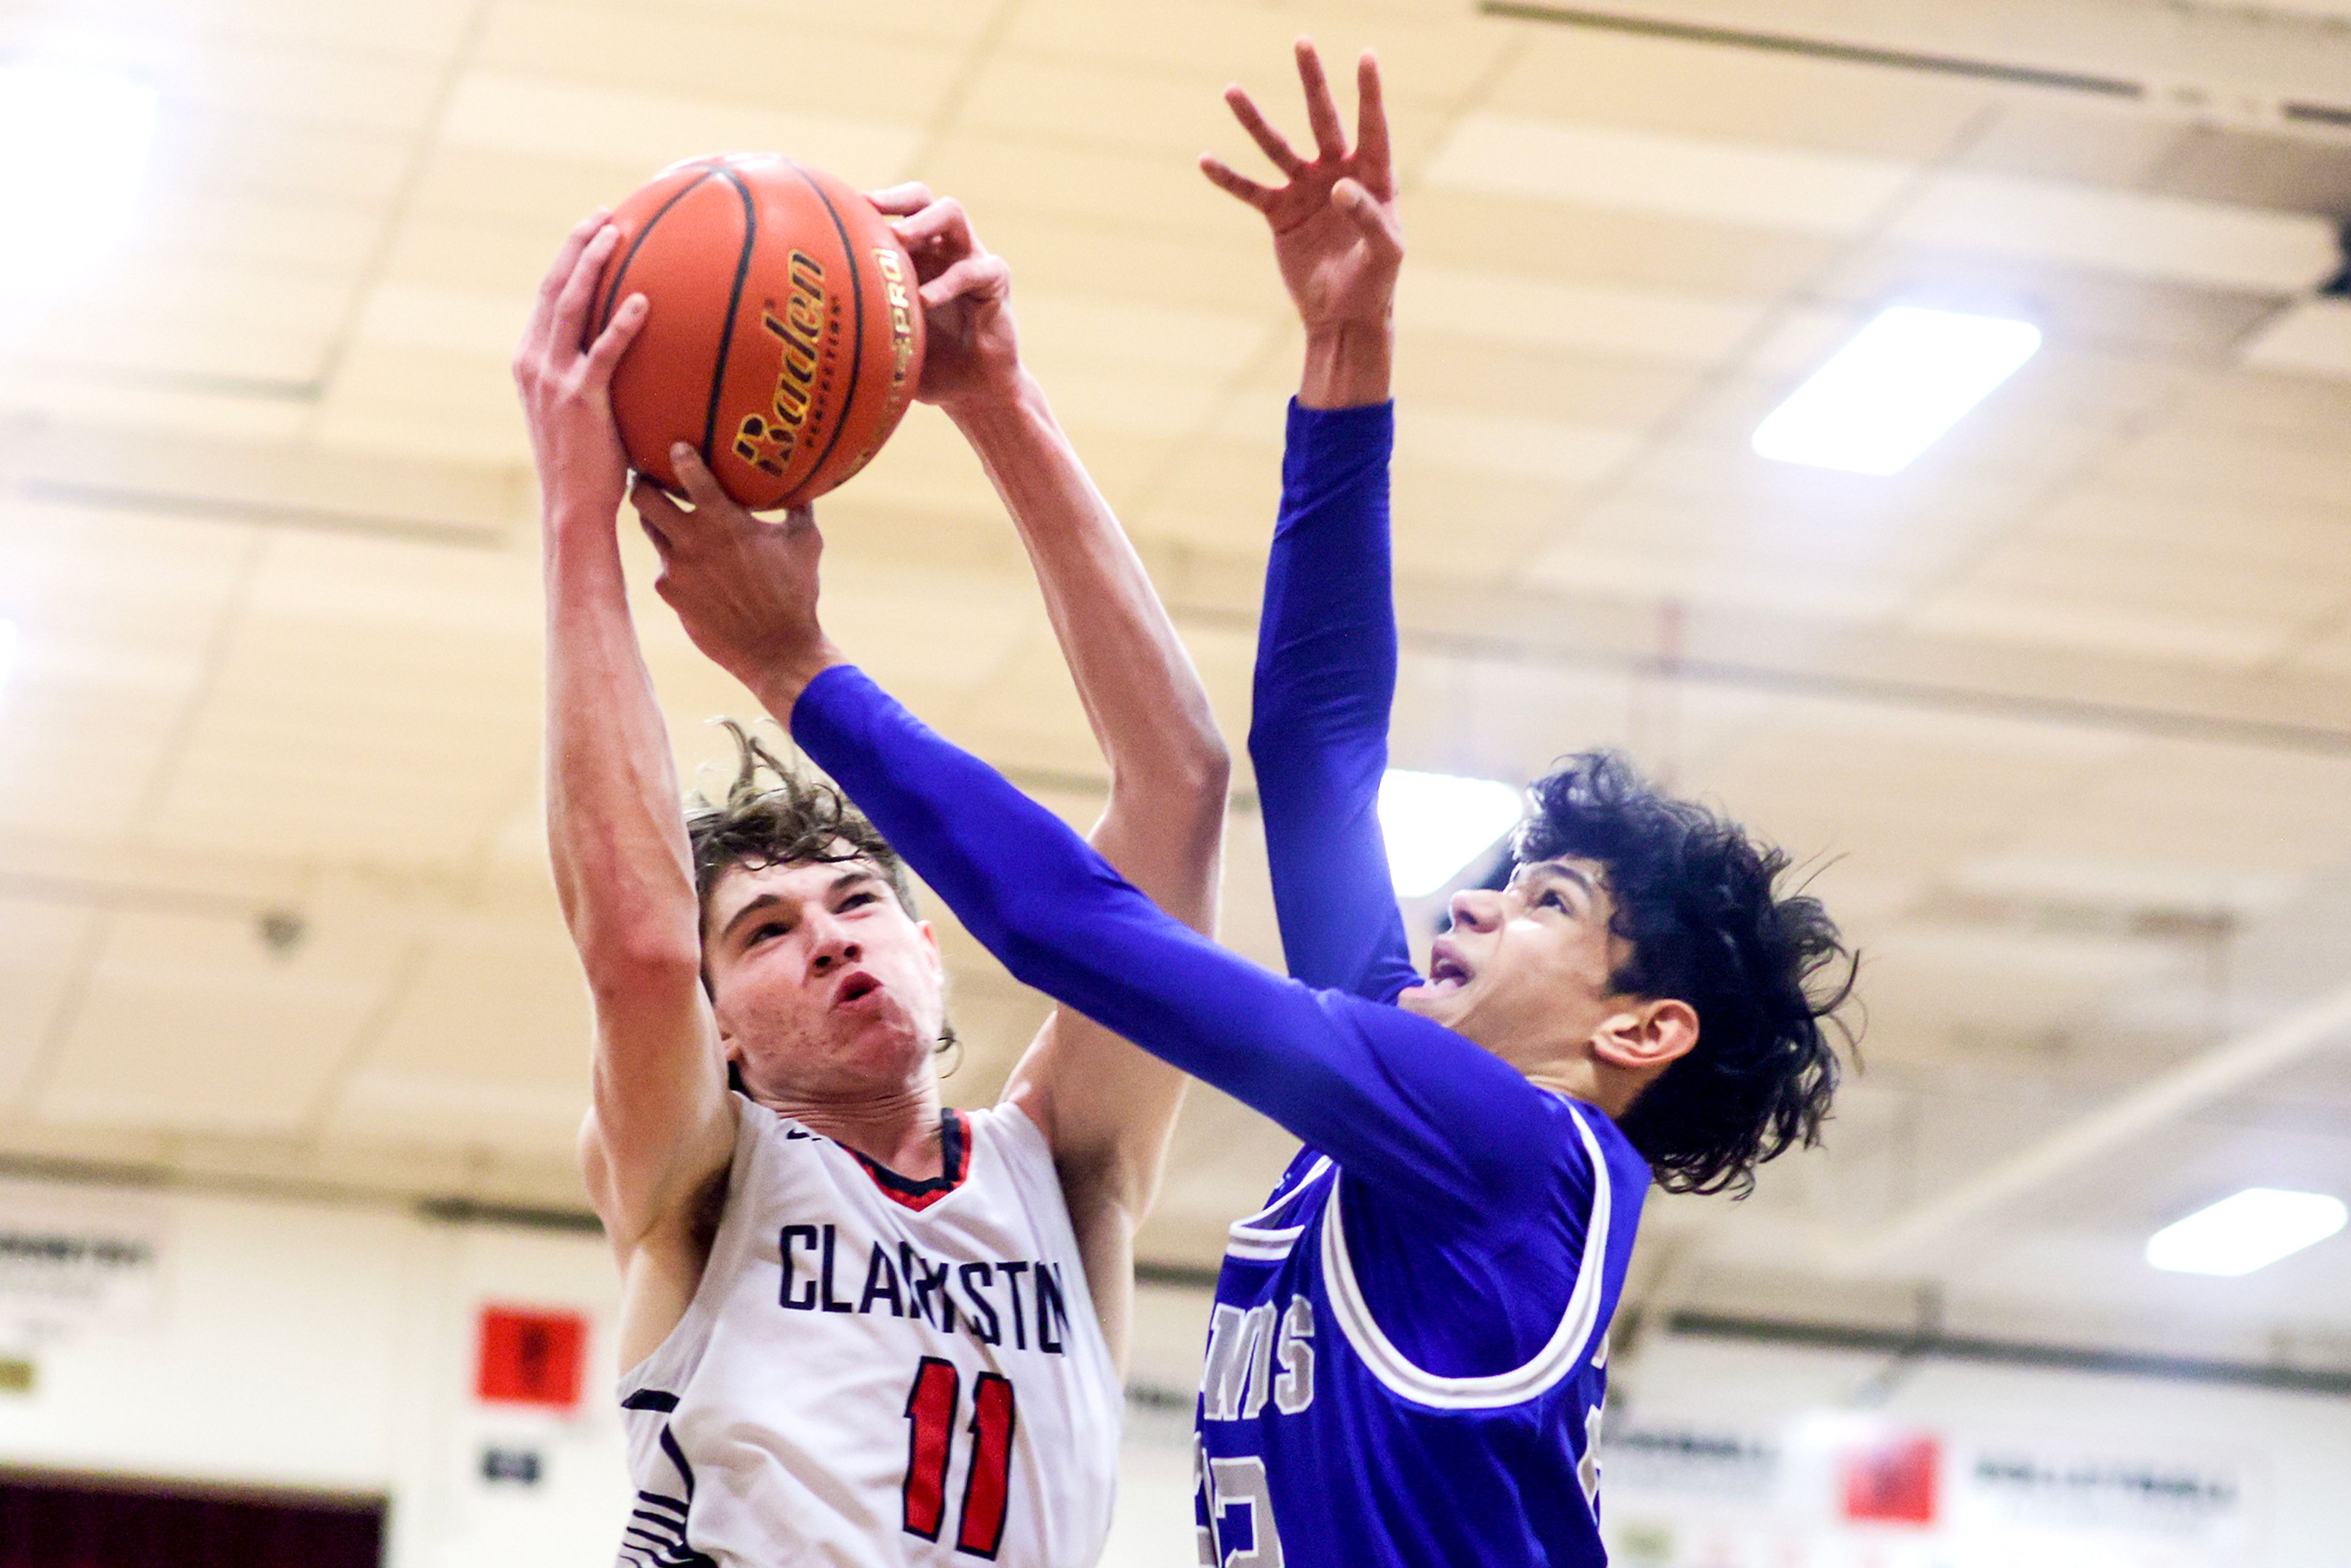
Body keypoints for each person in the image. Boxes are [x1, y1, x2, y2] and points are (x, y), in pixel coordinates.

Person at [639, 47, 1852, 1568]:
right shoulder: (1424, 1104)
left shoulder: (1504, 1150)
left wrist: (797, 666)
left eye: (1548, 904)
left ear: (1640, 1030)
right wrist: (1348, 345)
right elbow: (1320, 750)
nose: (1470, 900)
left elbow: (1072, 927)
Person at [514, 183, 1229, 1567]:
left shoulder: (1066, 1168)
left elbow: (1180, 791)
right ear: (720, 1029)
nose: (834, 938)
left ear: (930, 948)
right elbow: (643, 949)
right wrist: (575, 516)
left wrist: (998, 400)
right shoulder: (699, 1179)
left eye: (858, 903)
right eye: (768, 931)